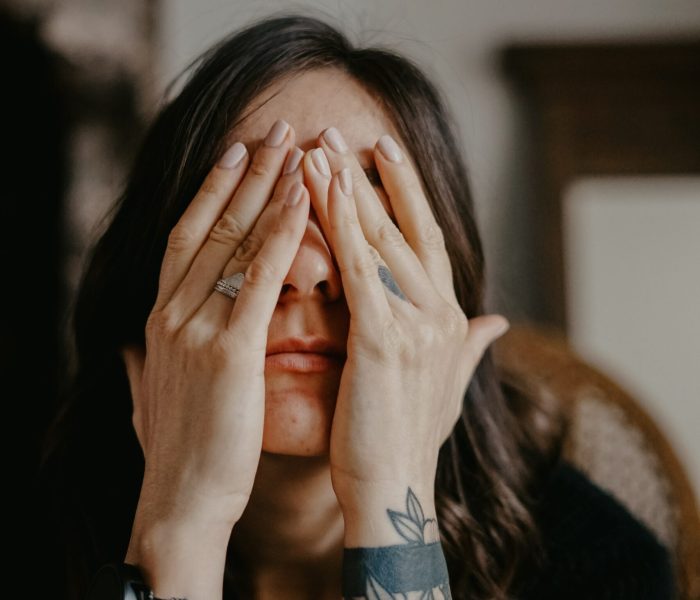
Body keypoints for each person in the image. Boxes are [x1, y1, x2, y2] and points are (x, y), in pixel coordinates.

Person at [38, 12, 676, 600]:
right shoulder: (33, 532)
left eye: (368, 221)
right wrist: (180, 530)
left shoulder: (595, 562)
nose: (309, 270)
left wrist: (390, 501)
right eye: (252, 203)